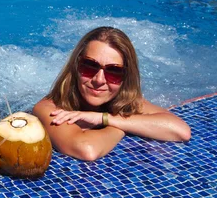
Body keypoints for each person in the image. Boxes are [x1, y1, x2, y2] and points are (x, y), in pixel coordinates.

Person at [32, 26, 191, 161]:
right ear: (76, 66)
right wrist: (121, 125)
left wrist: (103, 118)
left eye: (113, 71)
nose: (99, 80)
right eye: (89, 66)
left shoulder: (123, 98)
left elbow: (180, 131)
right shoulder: (49, 108)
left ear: (126, 77)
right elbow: (86, 149)